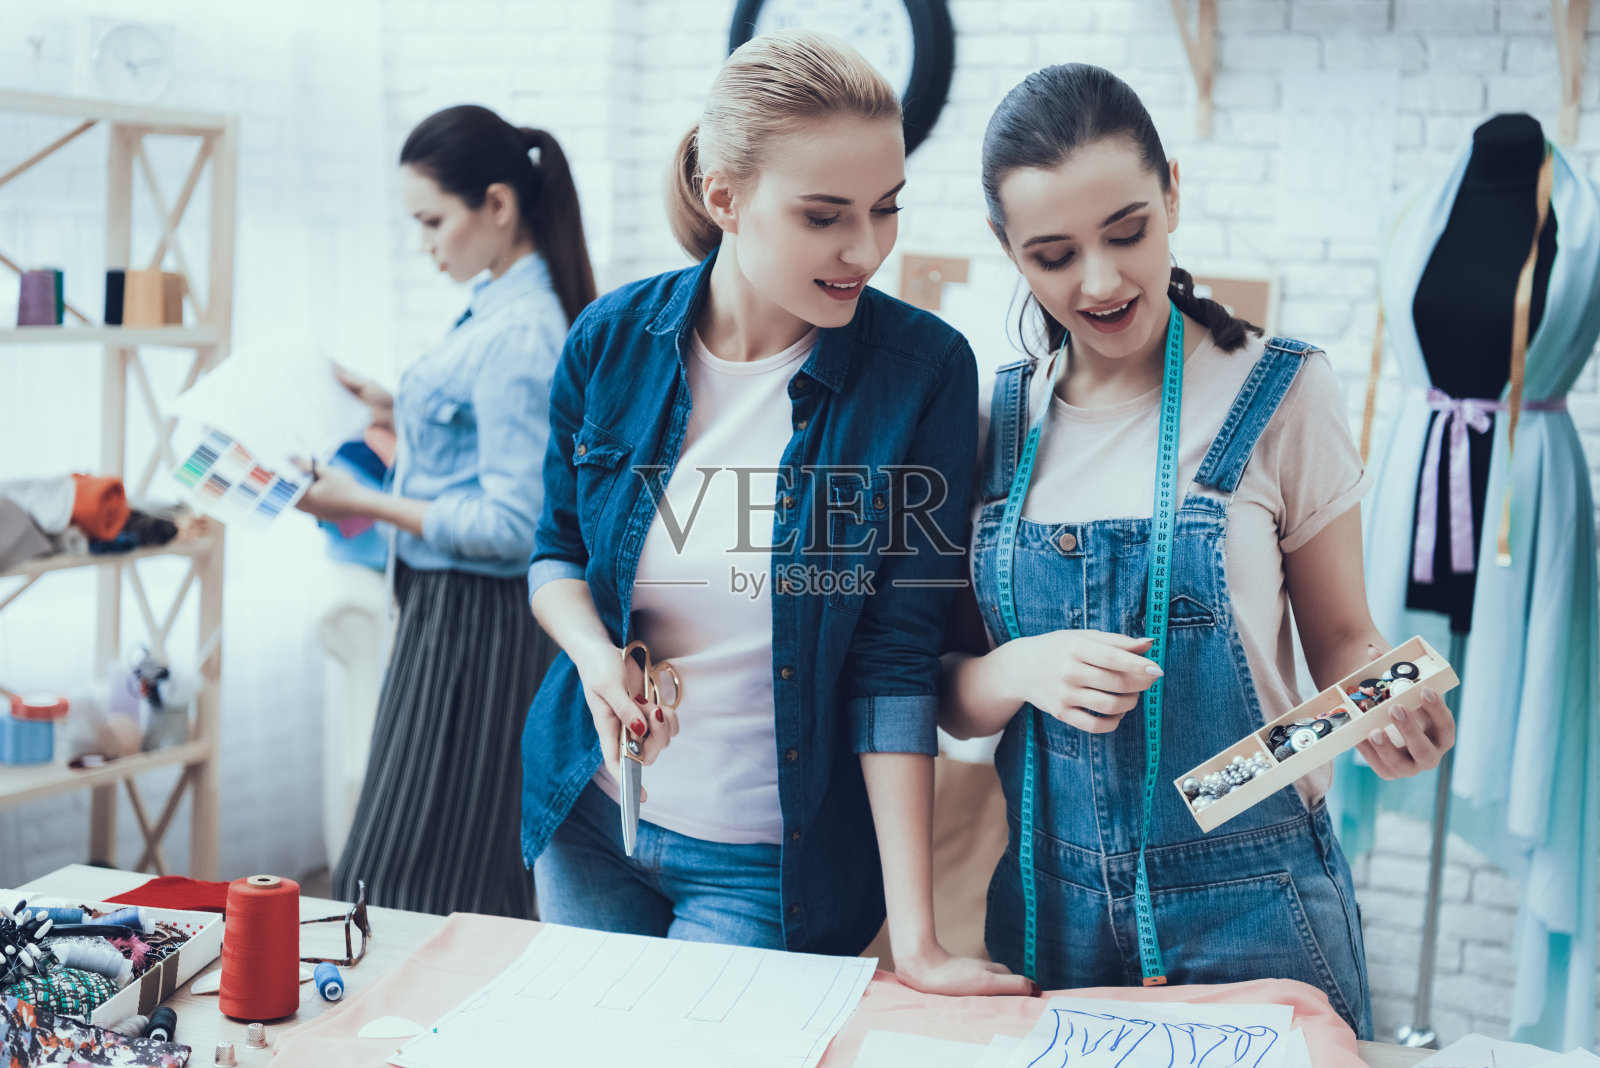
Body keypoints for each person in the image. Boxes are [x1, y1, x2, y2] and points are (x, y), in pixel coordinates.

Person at [937, 64, 1458, 1036]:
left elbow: (1343, 639)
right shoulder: (987, 424)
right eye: (1054, 254)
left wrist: (1388, 706)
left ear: (1171, 193)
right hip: (1045, 911)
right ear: (1008, 249)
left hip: (1255, 905)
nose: (1100, 280)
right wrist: (1017, 668)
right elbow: (947, 694)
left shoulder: (1282, 391)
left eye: (1127, 231)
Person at [519, 29, 1028, 996]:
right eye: (824, 216)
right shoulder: (610, 341)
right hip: (588, 818)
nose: (866, 249)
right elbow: (556, 553)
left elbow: (894, 660)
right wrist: (594, 658)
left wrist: (918, 943)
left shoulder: (921, 375)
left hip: (767, 870)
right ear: (725, 198)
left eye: (886, 208)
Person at [295, 104, 596, 917]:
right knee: (442, 871)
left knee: (397, 876)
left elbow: (512, 525)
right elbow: (481, 443)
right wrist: (394, 405)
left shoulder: (519, 333)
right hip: (456, 613)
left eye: (432, 221)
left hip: (475, 622)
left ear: (496, 205)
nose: (425, 243)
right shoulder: (501, 308)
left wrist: (363, 501)